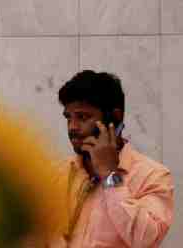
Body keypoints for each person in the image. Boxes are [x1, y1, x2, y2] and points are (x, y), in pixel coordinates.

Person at [49, 70, 174, 247]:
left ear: (115, 118)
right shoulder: (58, 173)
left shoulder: (152, 175)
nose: (72, 127)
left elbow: (145, 240)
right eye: (69, 118)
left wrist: (110, 175)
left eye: (82, 117)